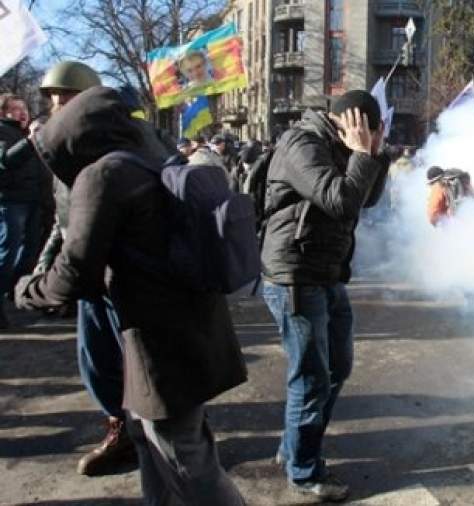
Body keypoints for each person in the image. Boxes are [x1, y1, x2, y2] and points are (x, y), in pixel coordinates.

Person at [15, 86, 247, 504]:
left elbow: (75, 275)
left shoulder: (102, 175)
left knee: (185, 460)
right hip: (192, 324)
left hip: (157, 341)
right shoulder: (153, 157)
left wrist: (26, 291)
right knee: (153, 442)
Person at [261, 90, 388, 502]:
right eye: (370, 132)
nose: (370, 139)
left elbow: (365, 198)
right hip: (295, 274)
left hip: (326, 273)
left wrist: (375, 156)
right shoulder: (302, 144)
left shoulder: (341, 147)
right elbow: (340, 200)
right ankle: (304, 471)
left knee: (338, 366)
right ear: (350, 126)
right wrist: (361, 155)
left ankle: (293, 447)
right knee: (312, 377)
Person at [0, 94, 53, 328]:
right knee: (7, 252)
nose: (22, 113)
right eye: (15, 109)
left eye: (24, 108)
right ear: (3, 113)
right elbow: (5, 160)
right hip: (11, 201)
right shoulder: (3, 132)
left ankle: (14, 293)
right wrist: (30, 142)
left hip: (34, 201)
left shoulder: (26, 134)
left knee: (30, 251)